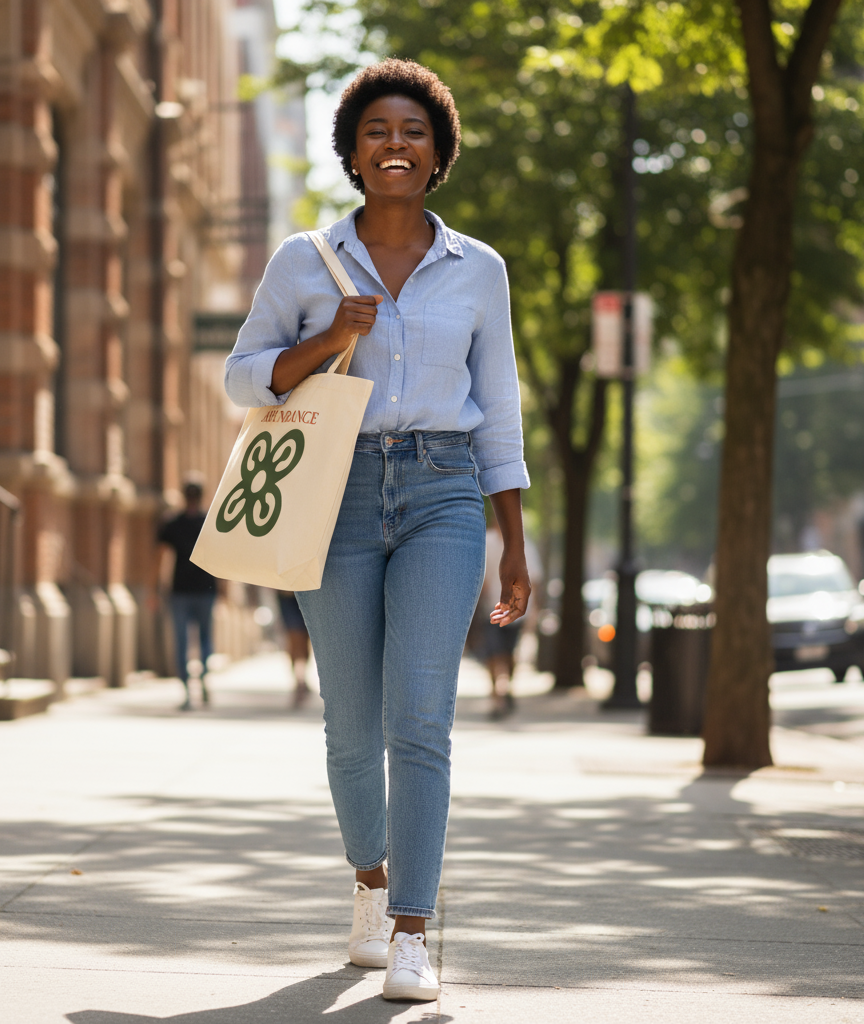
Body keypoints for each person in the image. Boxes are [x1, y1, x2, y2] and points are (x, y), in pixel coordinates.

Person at [224, 59, 530, 1003]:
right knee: (351, 722)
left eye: (413, 132)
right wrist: (324, 341)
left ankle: (412, 930)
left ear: (437, 154)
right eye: (377, 132)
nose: (395, 144)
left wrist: (513, 538)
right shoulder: (303, 261)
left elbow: (500, 407)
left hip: (443, 492)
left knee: (423, 719)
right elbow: (243, 378)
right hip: (336, 490)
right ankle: (368, 884)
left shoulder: (479, 269)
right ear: (353, 152)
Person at [155, 478, 216, 711]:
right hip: (203, 590)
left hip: (181, 591)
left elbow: (159, 558)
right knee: (204, 640)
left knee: (183, 642)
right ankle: (202, 682)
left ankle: (188, 691)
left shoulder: (173, 523)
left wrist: (155, 589)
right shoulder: (209, 521)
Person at [478, 518, 543, 720]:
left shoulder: (524, 545)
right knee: (493, 653)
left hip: (516, 611)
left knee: (508, 654)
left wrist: (535, 609)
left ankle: (507, 688)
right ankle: (498, 695)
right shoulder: (486, 542)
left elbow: (535, 578)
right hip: (491, 608)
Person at [277, 591, 311, 707]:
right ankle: (300, 678)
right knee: (296, 636)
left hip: (298, 588)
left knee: (299, 636)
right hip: (289, 590)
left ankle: (300, 678)